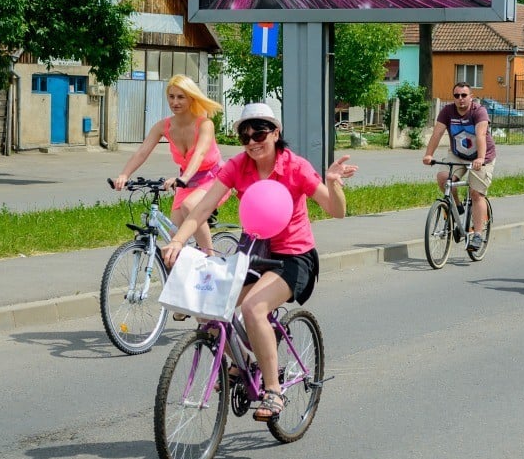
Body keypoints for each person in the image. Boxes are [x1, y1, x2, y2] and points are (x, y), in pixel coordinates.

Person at [162, 103, 357, 422]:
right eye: (245, 135)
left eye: (260, 132)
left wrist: (334, 183)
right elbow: (201, 210)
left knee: (253, 308)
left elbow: (337, 211)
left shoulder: (296, 167)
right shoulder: (238, 166)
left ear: (276, 133)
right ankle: (247, 360)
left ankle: (273, 390)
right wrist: (177, 241)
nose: (252, 141)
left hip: (295, 256)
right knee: (205, 305)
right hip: (255, 250)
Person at [113, 74, 227, 254]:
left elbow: (200, 153)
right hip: (186, 183)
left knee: (190, 206)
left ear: (191, 98)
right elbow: (142, 152)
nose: (175, 102)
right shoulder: (163, 126)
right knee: (172, 245)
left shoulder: (205, 124)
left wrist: (184, 177)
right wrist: (124, 175)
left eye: (181, 97)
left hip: (213, 179)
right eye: (171, 97)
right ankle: (180, 279)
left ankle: (210, 260)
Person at [422, 82, 495, 252]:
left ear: (471, 96)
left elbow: (481, 134)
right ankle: (458, 207)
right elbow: (437, 133)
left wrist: (481, 158)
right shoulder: (448, 111)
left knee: (476, 193)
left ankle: (477, 235)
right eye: (457, 95)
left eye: (464, 95)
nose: (460, 99)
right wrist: (428, 154)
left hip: (482, 157)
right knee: (443, 178)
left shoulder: (479, 111)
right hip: (458, 155)